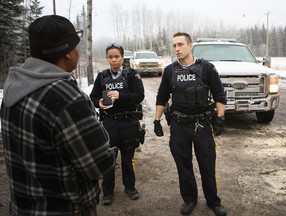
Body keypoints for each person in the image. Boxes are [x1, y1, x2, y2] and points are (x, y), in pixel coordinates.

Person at [0, 15, 115, 216]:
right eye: (76, 46)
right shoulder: (67, 99)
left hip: (23, 208)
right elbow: (98, 164)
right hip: (66, 209)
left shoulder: (14, 87)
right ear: (68, 53)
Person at [153, 32, 228, 216]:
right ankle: (189, 199)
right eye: (174, 46)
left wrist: (220, 118)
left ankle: (213, 201)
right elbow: (162, 97)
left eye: (180, 44)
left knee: (207, 165)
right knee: (183, 165)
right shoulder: (170, 71)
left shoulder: (207, 68)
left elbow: (219, 94)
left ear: (190, 45)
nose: (177, 49)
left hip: (202, 125)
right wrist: (156, 120)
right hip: (179, 126)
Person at [90, 43, 145, 205]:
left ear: (122, 57)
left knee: (128, 159)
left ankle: (130, 188)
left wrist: (121, 96)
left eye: (117, 57)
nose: (113, 60)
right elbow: (93, 97)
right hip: (109, 123)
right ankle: (108, 192)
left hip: (129, 122)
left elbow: (139, 96)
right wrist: (99, 102)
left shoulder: (131, 75)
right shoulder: (102, 76)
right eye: (110, 57)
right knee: (109, 159)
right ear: (107, 58)